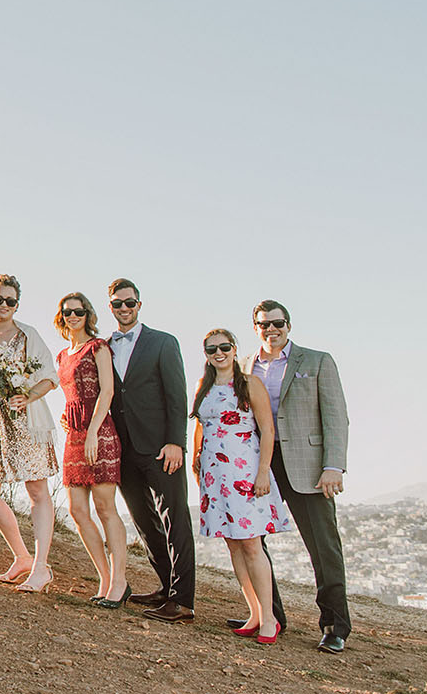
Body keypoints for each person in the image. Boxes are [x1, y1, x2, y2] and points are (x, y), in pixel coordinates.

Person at [250, 299, 351, 654]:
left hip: (307, 465)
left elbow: (336, 416)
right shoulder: (247, 366)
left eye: (277, 323)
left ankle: (335, 625)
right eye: (263, 324)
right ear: (256, 328)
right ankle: (270, 613)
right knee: (251, 540)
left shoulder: (317, 360)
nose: (270, 329)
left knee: (323, 546)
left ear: (288, 325)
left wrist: (332, 466)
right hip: (261, 463)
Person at [192, 328, 289, 644]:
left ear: (234, 349)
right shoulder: (202, 387)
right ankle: (255, 612)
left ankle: (270, 619)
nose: (218, 353)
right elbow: (200, 429)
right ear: (206, 354)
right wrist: (197, 465)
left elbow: (268, 431)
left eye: (223, 347)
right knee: (232, 544)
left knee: (250, 543)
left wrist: (263, 473)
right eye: (211, 349)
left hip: (245, 473)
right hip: (214, 477)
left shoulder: (249, 384)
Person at [106, 278, 195, 622]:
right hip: (123, 449)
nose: (124, 309)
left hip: (161, 448)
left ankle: (183, 601)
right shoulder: (104, 347)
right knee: (144, 521)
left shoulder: (162, 342)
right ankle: (165, 585)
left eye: (129, 303)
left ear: (139, 305)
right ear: (110, 307)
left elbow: (178, 396)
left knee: (175, 520)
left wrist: (176, 442)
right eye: (117, 304)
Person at [0, 274, 59, 593]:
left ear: (17, 304)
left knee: (37, 491)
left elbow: (49, 377)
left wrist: (29, 395)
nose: (4, 305)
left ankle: (41, 568)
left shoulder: (28, 335)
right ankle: (22, 557)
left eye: (11, 300)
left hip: (25, 421)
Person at [55, 292, 127, 607]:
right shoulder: (61, 354)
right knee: (77, 510)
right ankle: (105, 577)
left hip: (99, 432)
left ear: (88, 314)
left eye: (79, 311)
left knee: (105, 507)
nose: (73, 316)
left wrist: (94, 432)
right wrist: (66, 414)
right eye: (67, 312)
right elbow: (71, 392)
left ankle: (120, 580)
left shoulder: (98, 347)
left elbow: (107, 390)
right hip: (73, 434)